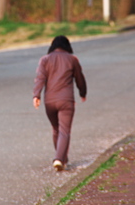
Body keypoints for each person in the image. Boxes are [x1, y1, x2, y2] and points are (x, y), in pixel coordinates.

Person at [33, 35, 87, 171]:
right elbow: (79, 78)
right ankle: (58, 158)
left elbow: (40, 78)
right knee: (64, 131)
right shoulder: (72, 59)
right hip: (66, 100)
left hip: (49, 101)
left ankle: (63, 158)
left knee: (56, 129)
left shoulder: (44, 60)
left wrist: (36, 95)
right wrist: (83, 92)